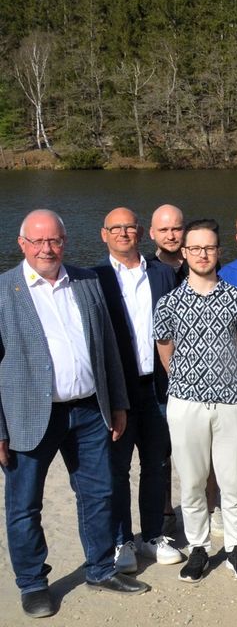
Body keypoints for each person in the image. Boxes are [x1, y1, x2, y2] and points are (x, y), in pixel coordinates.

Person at [1, 209, 148, 618]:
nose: (47, 249)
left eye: (55, 241)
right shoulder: (3, 291)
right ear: (22, 244)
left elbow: (108, 349)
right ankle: (33, 583)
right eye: (38, 241)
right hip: (29, 416)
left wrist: (117, 402)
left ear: (64, 241)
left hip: (88, 410)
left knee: (98, 493)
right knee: (25, 504)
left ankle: (100, 568)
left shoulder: (86, 281)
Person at [153, 219, 237, 583]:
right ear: (184, 253)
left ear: (218, 251)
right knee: (194, 480)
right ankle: (198, 547)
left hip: (230, 401)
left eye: (209, 248)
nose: (202, 254)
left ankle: (235, 547)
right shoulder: (168, 303)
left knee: (232, 478)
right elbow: (166, 352)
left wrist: (224, 379)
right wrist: (192, 382)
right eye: (195, 248)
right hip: (185, 403)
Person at [93, 207, 181, 573]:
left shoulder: (162, 273)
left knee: (156, 465)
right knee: (117, 470)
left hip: (157, 387)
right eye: (117, 228)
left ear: (141, 232)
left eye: (130, 227)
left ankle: (152, 535)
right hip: (119, 390)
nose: (124, 233)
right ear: (104, 234)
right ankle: (121, 540)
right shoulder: (92, 278)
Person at [149, 203, 186, 274]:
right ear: (152, 233)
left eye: (176, 229)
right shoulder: (145, 268)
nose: (170, 237)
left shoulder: (201, 265)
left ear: (185, 230)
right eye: (163, 230)